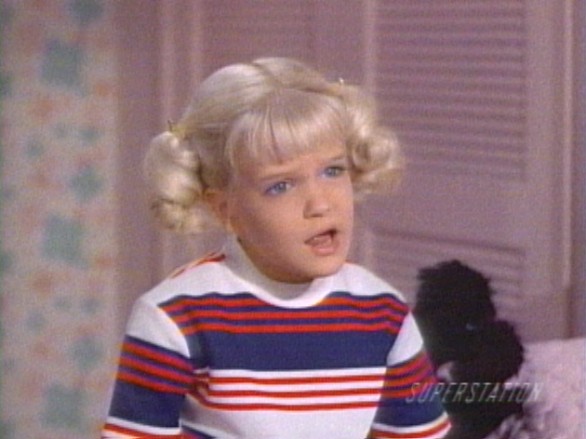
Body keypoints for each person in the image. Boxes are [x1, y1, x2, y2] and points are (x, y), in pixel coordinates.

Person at [102, 57, 450, 439]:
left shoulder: (383, 311)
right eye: (281, 186)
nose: (320, 204)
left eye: (333, 171)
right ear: (226, 209)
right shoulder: (175, 317)